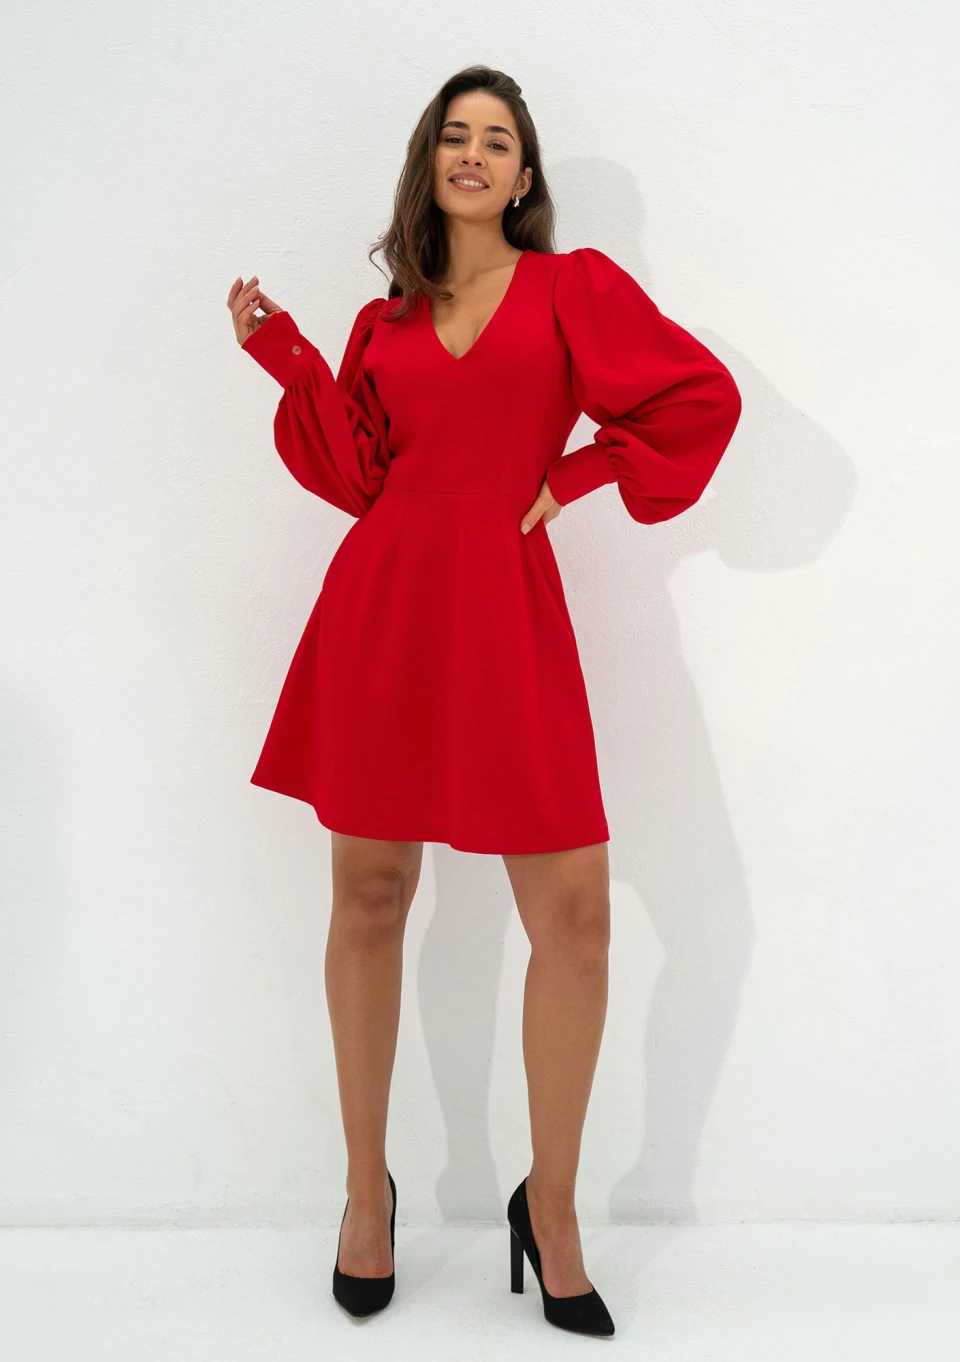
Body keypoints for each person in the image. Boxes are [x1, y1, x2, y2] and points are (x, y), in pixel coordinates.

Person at [227, 64, 741, 1337]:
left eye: (497, 139)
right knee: (369, 897)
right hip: (387, 607)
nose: (473, 153)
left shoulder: (575, 290)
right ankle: (366, 1197)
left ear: (523, 175)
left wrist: (579, 472)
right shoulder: (385, 321)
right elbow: (360, 474)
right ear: (430, 163)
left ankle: (549, 1208)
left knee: (576, 920)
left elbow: (697, 397)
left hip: (507, 616)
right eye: (454, 135)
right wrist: (285, 354)